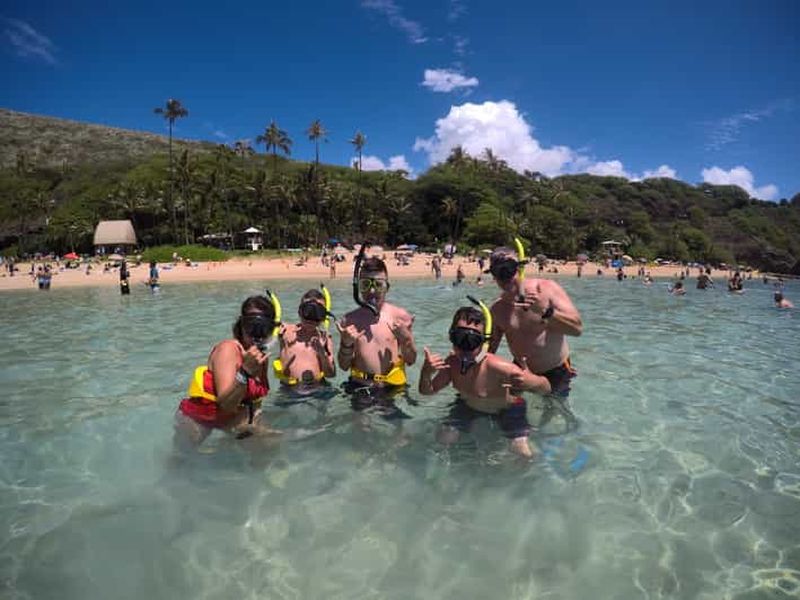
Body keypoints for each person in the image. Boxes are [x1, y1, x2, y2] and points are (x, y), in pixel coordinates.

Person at [420, 303, 551, 458]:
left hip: (507, 410)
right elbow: (427, 391)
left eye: (472, 340)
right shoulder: (451, 364)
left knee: (522, 452)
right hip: (468, 406)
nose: (465, 347)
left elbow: (546, 387)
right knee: (443, 440)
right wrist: (426, 373)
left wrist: (530, 381)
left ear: (483, 342)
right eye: (459, 338)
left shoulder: (497, 367)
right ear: (451, 337)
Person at [486, 244, 582, 426]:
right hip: (520, 370)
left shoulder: (546, 289)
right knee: (500, 413)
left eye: (508, 270)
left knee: (555, 418)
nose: (505, 277)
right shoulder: (497, 309)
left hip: (556, 371)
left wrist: (546, 312)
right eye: (498, 273)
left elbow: (577, 329)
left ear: (519, 268)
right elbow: (488, 351)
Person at [174, 294, 279, 448]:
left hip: (233, 419)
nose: (257, 334)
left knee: (271, 444)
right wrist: (245, 372)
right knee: (182, 462)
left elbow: (256, 401)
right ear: (242, 325)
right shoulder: (228, 350)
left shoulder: (260, 356)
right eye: (251, 326)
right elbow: (226, 404)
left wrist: (253, 428)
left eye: (263, 328)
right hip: (199, 419)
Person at [337, 251, 416, 416]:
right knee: (361, 433)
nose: (372, 290)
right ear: (358, 287)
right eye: (365, 285)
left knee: (398, 435)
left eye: (378, 285)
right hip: (360, 386)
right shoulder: (349, 320)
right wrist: (346, 343)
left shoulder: (400, 317)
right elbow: (344, 366)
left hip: (392, 387)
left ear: (387, 287)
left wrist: (406, 340)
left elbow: (411, 361)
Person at [274, 287, 335, 392]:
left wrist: (322, 354)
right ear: (300, 311)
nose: (311, 317)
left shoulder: (325, 338)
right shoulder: (285, 332)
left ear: (323, 316)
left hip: (318, 389)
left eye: (317, 313)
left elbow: (331, 374)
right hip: (289, 390)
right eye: (308, 311)